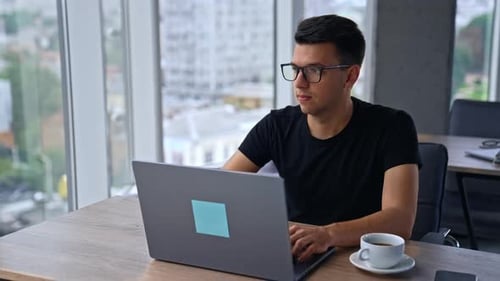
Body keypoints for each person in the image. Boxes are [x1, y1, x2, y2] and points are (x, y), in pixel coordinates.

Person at [223, 14, 420, 262]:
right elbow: (219, 189)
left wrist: (327, 234)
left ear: (350, 76)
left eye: (314, 70)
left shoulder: (393, 127)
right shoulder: (276, 126)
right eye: (295, 69)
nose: (299, 83)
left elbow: (400, 220)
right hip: (294, 257)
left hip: (362, 262)